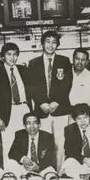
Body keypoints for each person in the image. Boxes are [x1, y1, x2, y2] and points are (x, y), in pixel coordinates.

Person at [26, 30, 73, 169]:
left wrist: (57, 101)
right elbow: (31, 86)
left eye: (54, 42)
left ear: (57, 44)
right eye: (48, 42)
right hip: (42, 111)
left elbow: (67, 83)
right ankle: (45, 172)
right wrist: (41, 103)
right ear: (42, 43)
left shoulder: (64, 61)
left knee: (60, 144)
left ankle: (59, 173)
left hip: (61, 109)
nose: (50, 45)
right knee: (44, 145)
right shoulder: (33, 63)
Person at [0, 42, 31, 166]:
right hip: (8, 112)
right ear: (3, 57)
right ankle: (10, 175)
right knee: (9, 143)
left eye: (15, 54)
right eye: (9, 54)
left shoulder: (23, 70)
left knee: (26, 141)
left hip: (24, 109)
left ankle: (28, 173)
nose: (12, 57)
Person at [60, 103, 90, 178]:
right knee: (69, 162)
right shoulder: (69, 130)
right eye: (79, 119)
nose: (83, 121)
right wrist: (85, 160)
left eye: (85, 117)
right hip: (81, 162)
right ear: (75, 120)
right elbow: (69, 151)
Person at [5, 113, 58, 178]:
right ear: (24, 125)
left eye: (35, 123)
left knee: (50, 171)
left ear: (39, 124)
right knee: (10, 163)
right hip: (24, 169)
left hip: (41, 168)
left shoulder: (47, 136)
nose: (32, 126)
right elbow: (11, 153)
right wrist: (23, 158)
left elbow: (51, 159)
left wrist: (38, 167)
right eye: (28, 123)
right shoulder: (20, 135)